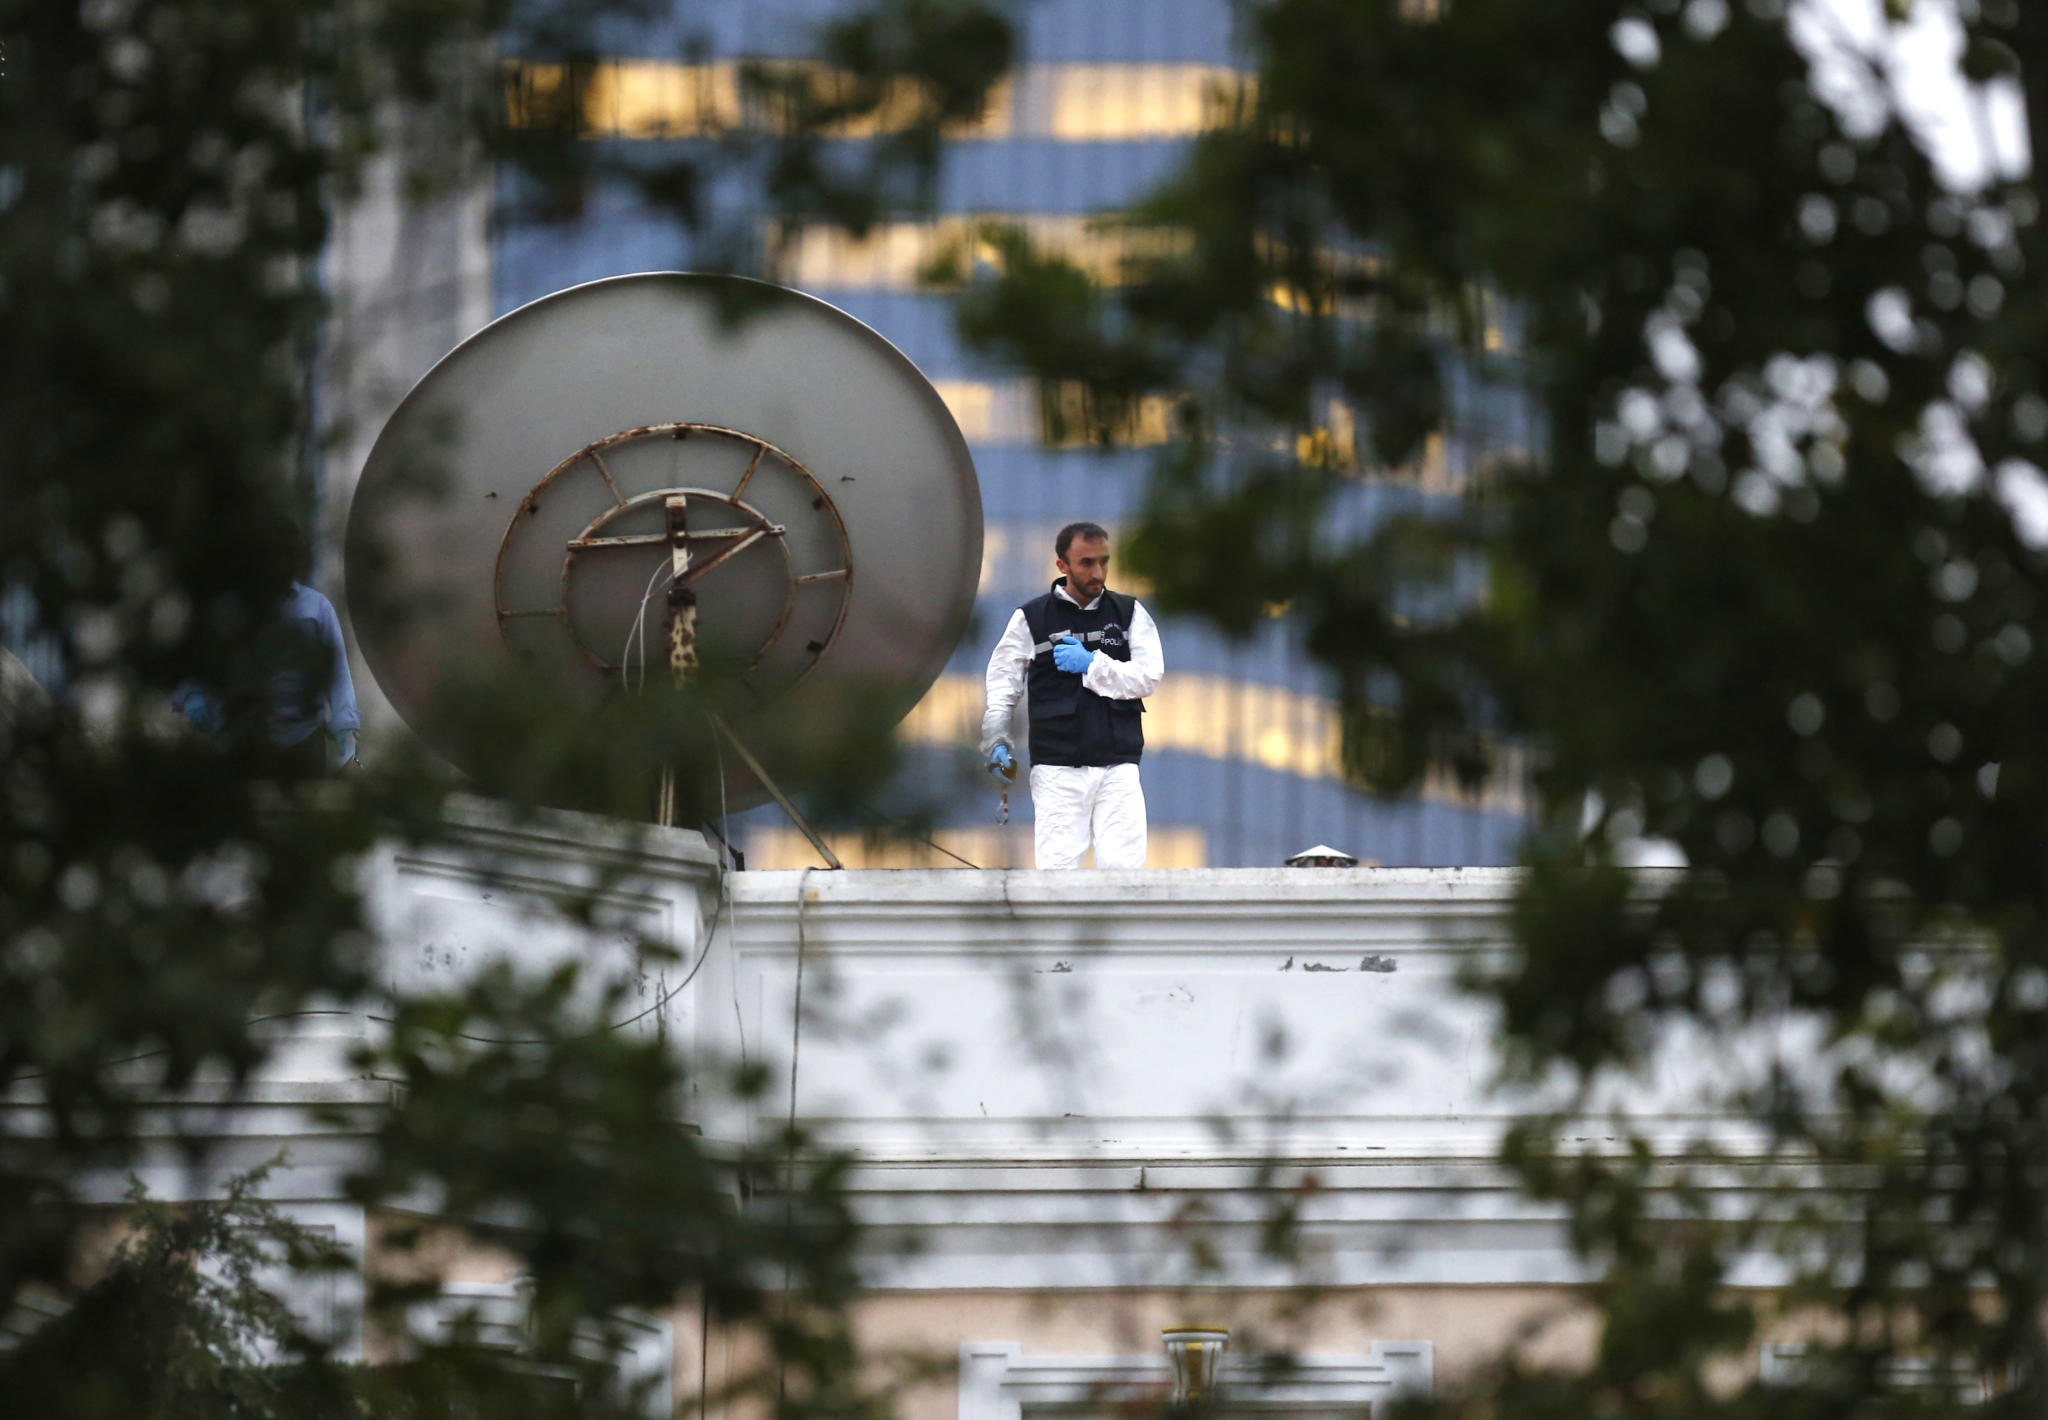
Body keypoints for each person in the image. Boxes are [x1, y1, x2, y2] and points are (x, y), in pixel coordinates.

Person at [981, 521, 1163, 869]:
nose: (1098, 572)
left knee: (1123, 875)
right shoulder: (1031, 619)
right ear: (1062, 566)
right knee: (1057, 876)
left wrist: (1092, 665)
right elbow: (1003, 684)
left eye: (1103, 561)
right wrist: (996, 740)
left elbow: (1148, 677)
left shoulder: (1128, 614)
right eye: (1087, 563)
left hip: (1118, 764)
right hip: (1057, 769)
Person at [173, 518, 359, 772]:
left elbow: (337, 673)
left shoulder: (316, 607)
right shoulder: (230, 608)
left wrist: (345, 727)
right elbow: (203, 660)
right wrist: (193, 697)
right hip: (242, 739)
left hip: (303, 741)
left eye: (286, 555)